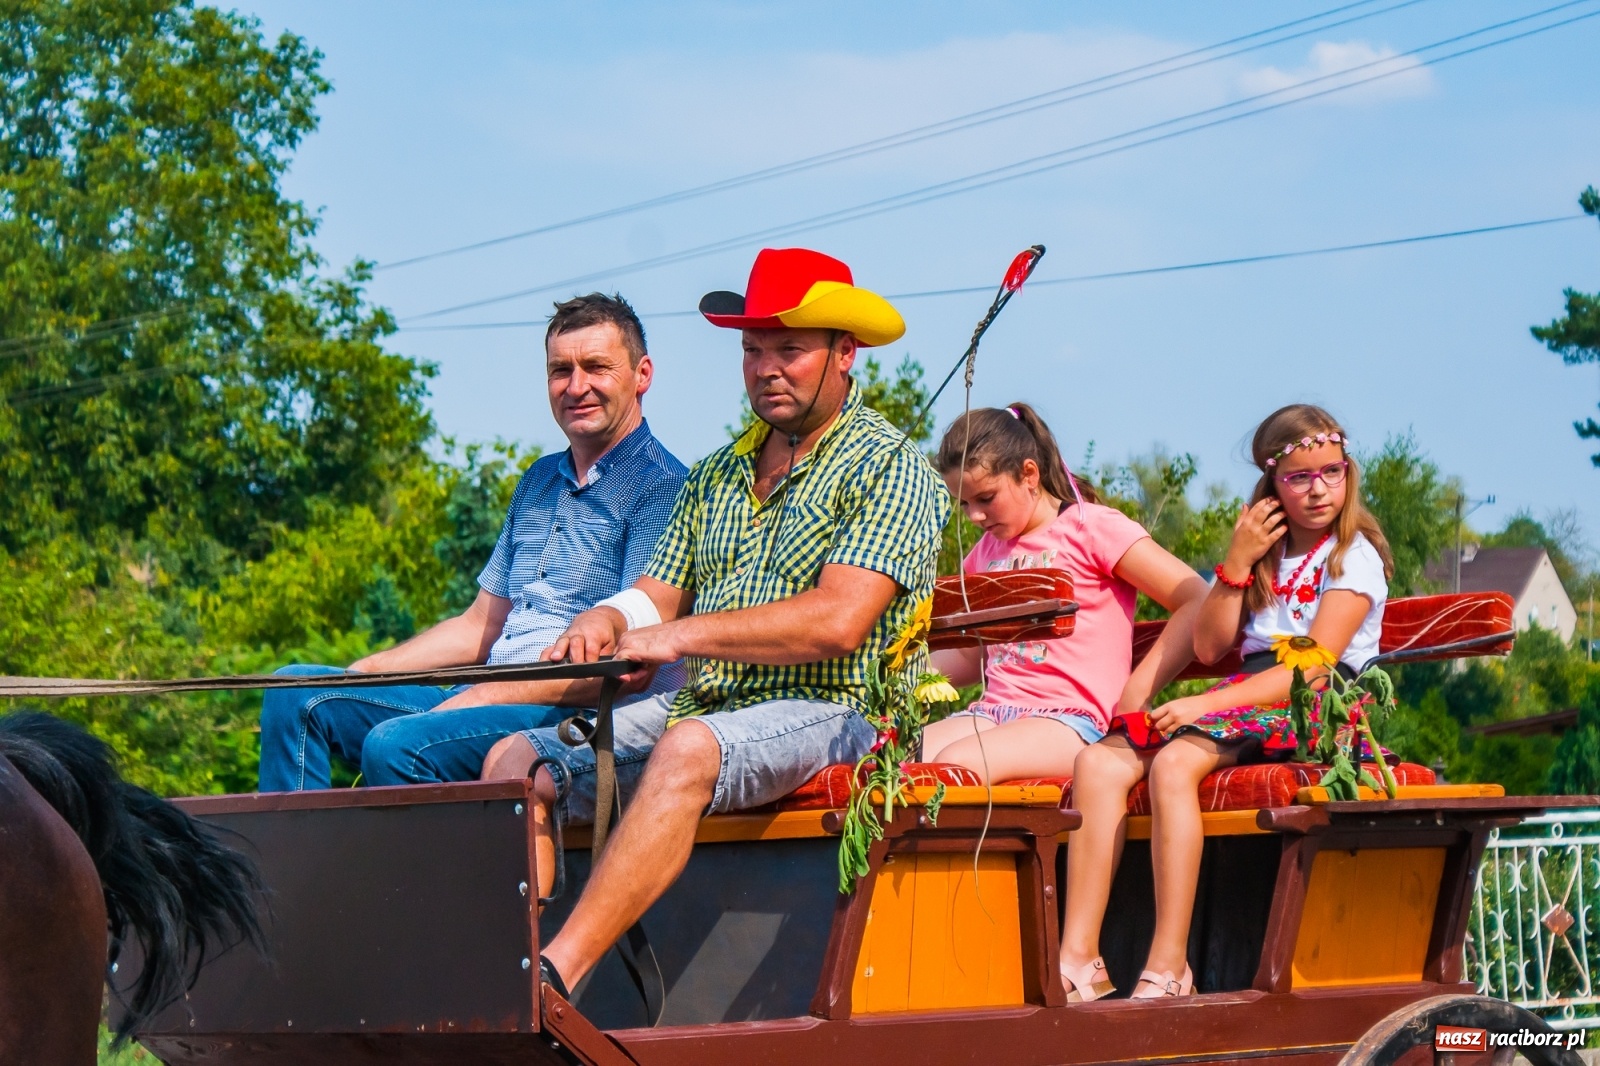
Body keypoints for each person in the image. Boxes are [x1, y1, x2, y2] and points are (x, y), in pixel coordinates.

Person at [480, 247, 949, 998]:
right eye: (752, 349)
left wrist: (677, 637)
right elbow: (656, 598)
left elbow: (836, 623)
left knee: (687, 747)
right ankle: (504, 968)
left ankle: (554, 980)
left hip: (842, 712)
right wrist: (609, 615)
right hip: (711, 706)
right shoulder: (718, 474)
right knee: (512, 764)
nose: (767, 367)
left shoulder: (891, 467)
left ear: (844, 353)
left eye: (789, 349)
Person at [256, 293, 687, 792]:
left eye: (596, 367)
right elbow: (482, 624)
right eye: (560, 370)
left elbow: (627, 667)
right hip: (482, 695)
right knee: (297, 696)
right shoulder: (540, 481)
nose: (576, 386)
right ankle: (299, 869)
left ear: (642, 375)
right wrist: (363, 673)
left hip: (572, 714)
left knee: (395, 744)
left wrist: (483, 695)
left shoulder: (663, 489)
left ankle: (413, 870)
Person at [1061, 403, 1394, 1000]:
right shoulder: (1266, 555)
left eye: (1332, 472)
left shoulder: (1353, 556)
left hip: (1317, 703)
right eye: (1299, 477)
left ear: (1348, 472)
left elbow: (1315, 665)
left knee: (1174, 763)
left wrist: (1200, 708)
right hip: (1250, 696)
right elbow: (1213, 644)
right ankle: (1080, 959)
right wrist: (1236, 564)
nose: (1319, 489)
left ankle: (1169, 966)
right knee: (1098, 762)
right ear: (1272, 485)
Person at [923, 404, 1207, 793]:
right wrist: (898, 677)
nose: (974, 516)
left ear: (1029, 474)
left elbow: (1196, 598)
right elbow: (971, 657)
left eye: (985, 498)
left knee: (959, 766)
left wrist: (1136, 693)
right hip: (993, 714)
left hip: (1073, 720)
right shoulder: (986, 553)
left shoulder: (1092, 528)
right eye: (965, 503)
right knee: (896, 755)